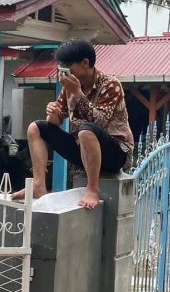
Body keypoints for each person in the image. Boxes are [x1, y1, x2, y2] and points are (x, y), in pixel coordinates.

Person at [12, 39, 134, 210]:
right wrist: (52, 112)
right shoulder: (68, 86)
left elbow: (99, 121)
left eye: (68, 65)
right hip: (84, 149)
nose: (64, 70)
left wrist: (77, 93)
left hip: (116, 152)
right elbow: (55, 122)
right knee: (36, 128)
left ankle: (92, 189)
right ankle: (39, 186)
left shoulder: (110, 84)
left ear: (85, 63)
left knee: (85, 131)